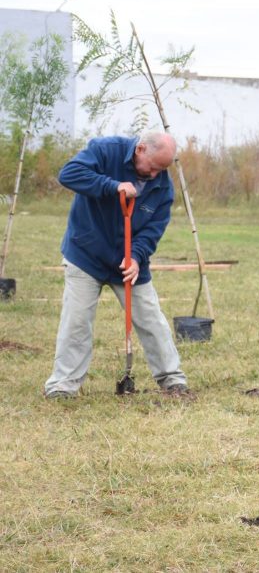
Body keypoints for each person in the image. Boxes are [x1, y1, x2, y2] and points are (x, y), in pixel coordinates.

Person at [43, 133, 190, 399]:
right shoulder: (105, 150)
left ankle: (172, 380)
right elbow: (69, 174)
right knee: (76, 322)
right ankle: (62, 386)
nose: (156, 174)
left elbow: (152, 231)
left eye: (163, 169)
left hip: (129, 263)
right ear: (141, 149)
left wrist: (135, 257)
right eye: (153, 166)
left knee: (151, 319)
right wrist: (113, 186)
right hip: (86, 253)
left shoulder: (163, 188)